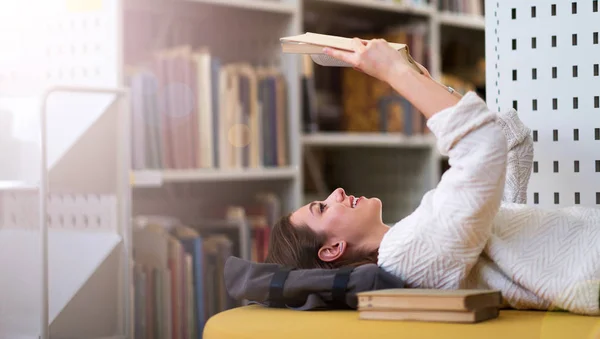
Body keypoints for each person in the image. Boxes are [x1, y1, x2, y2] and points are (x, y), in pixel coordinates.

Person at [265, 38, 600, 316]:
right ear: (332, 249)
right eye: (322, 208)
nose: (335, 192)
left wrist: (423, 82)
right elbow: (484, 146)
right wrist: (394, 73)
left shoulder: (423, 237)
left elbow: (514, 143)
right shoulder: (404, 258)